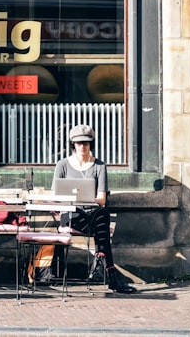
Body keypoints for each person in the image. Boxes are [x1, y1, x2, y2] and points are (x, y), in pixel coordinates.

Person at [52, 124, 137, 294]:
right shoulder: (62, 165)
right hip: (72, 214)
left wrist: (88, 200)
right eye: (78, 143)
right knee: (102, 223)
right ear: (73, 144)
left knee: (102, 214)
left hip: (93, 214)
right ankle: (110, 273)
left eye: (86, 143)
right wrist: (76, 200)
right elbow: (56, 195)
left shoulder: (99, 166)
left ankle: (101, 262)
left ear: (91, 144)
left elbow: (102, 199)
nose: (82, 147)